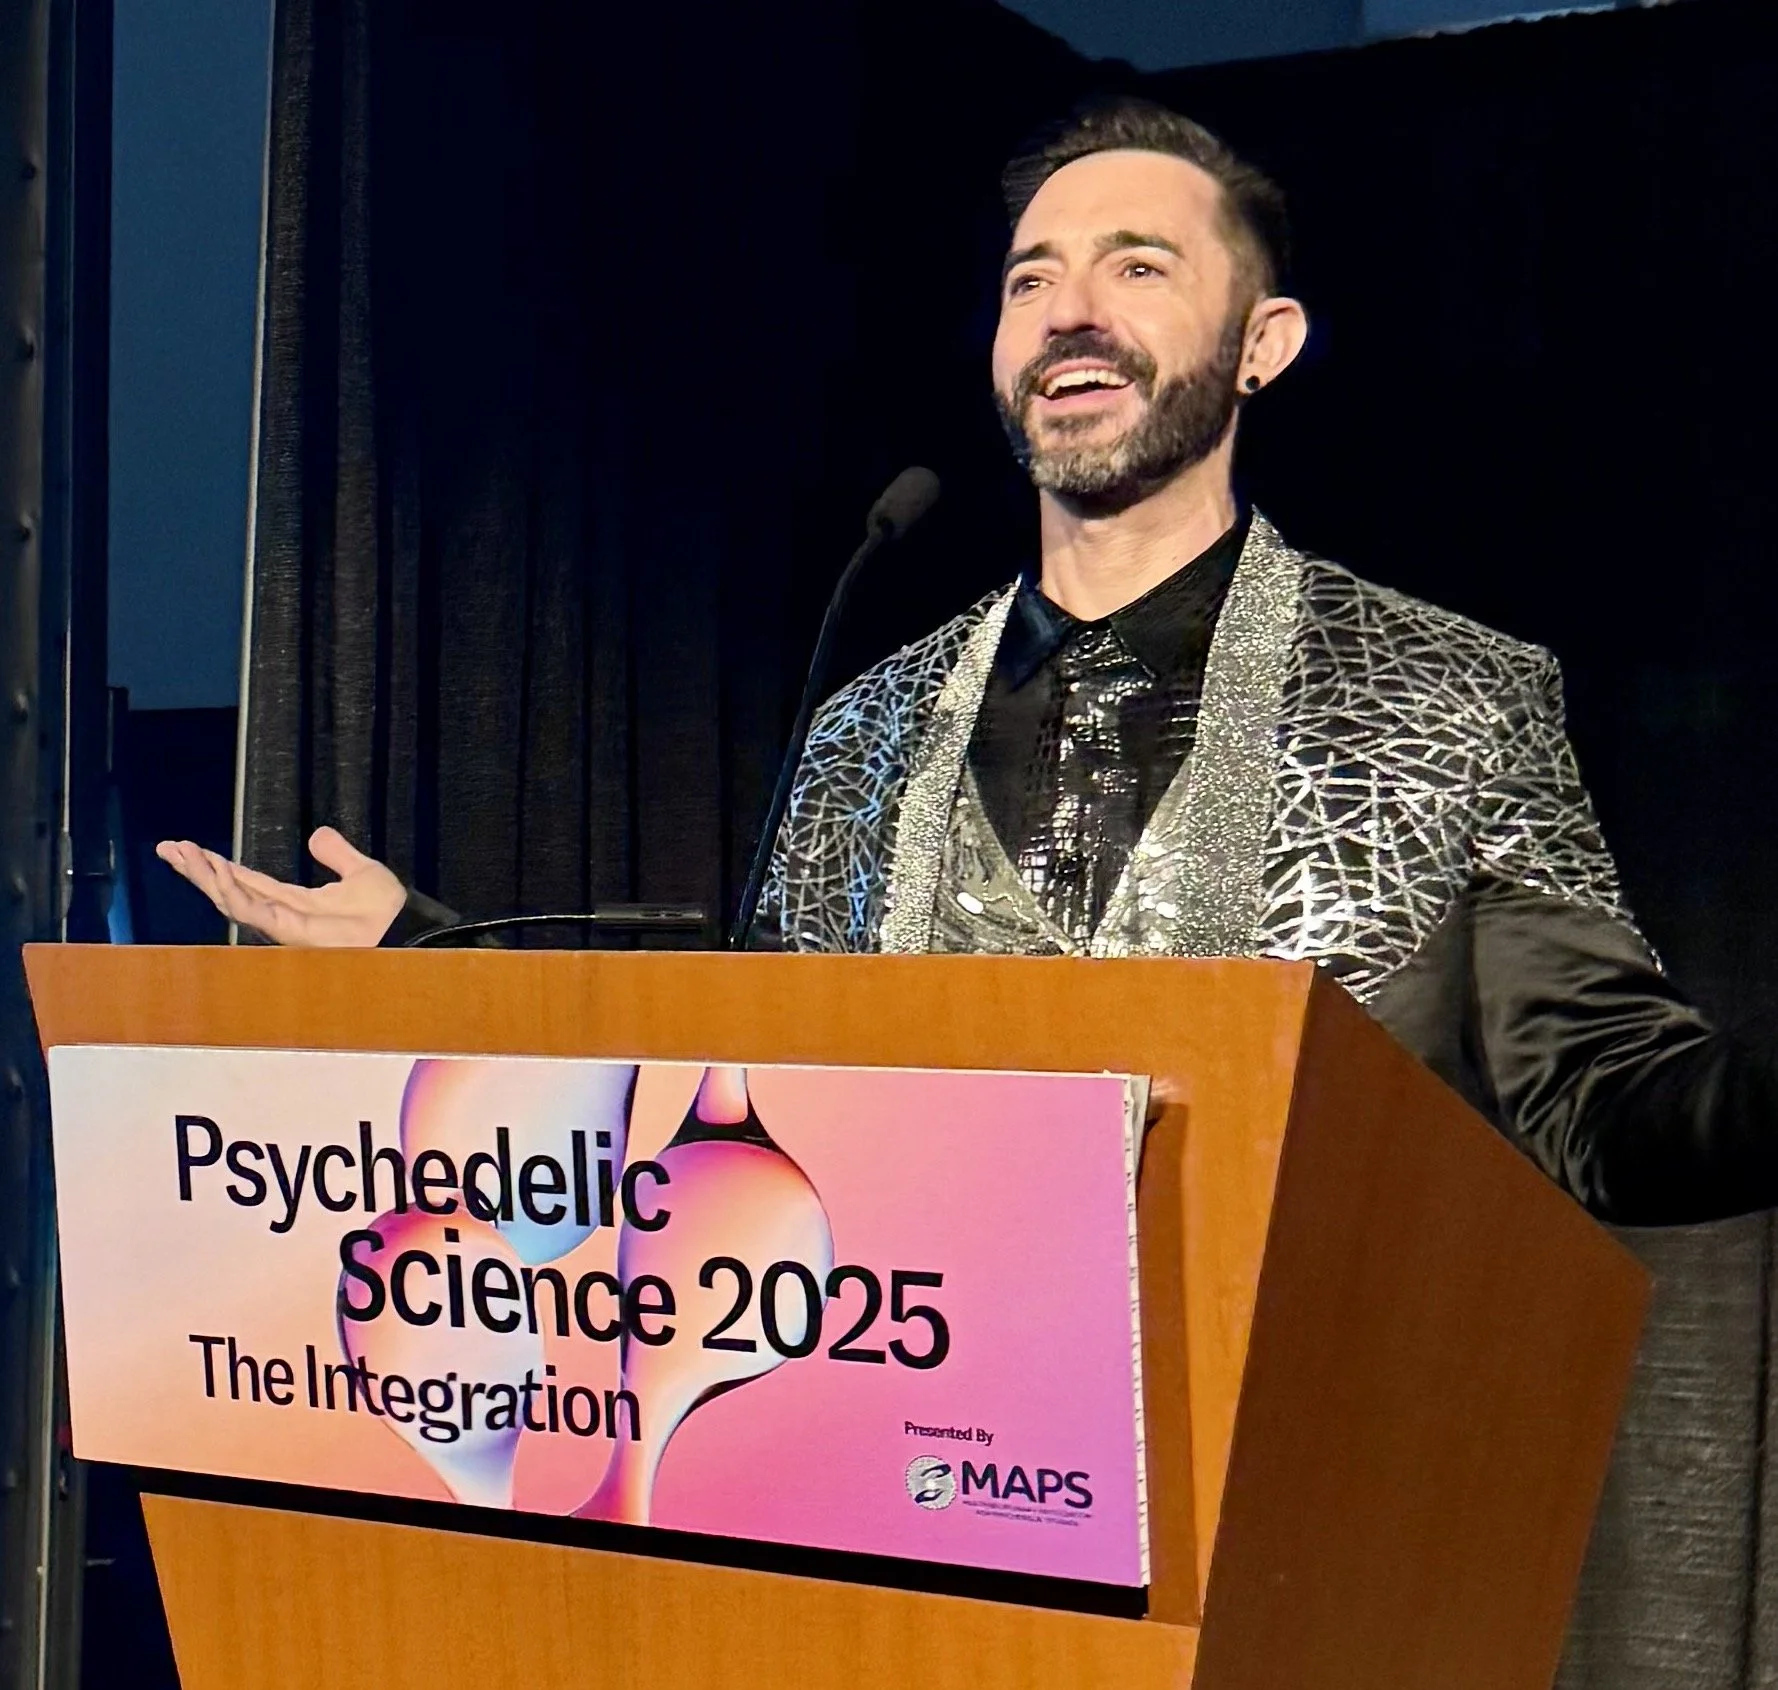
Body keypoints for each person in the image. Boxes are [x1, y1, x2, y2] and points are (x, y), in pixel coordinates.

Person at [161, 96, 1776, 1226]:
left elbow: (1603, 1100)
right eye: (1030, 279)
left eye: (1137, 266)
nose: (1071, 312)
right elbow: (741, 1084)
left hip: (1305, 1482)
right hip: (927, 1494)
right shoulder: (865, 730)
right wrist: (428, 948)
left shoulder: (1448, 694)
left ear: (1261, 343)